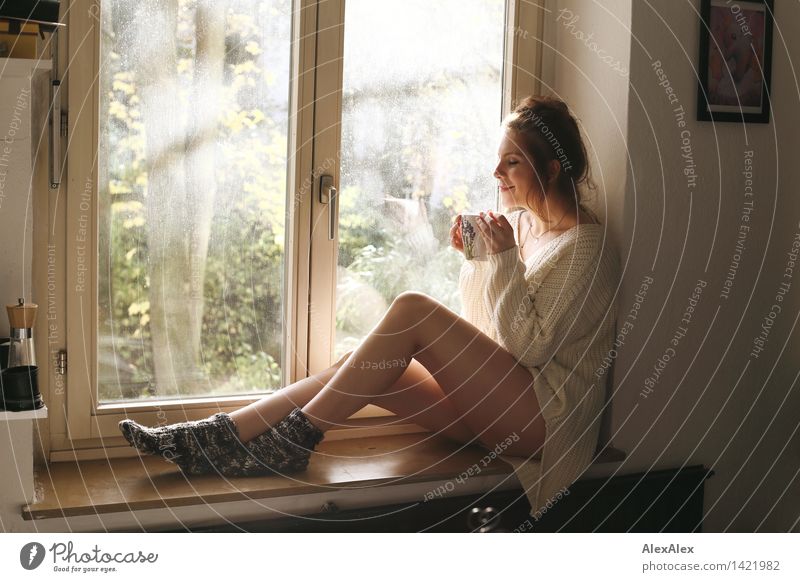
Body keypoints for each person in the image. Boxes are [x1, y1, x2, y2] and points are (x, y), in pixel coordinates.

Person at [119, 95, 620, 519]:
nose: (496, 172)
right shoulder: (526, 227)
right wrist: (481, 261)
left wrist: (503, 258)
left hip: (546, 425)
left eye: (512, 161)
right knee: (370, 364)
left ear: (551, 168)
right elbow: (485, 325)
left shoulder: (585, 247)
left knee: (413, 310)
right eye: (499, 158)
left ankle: (292, 441)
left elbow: (529, 349)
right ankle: (217, 436)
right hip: (504, 408)